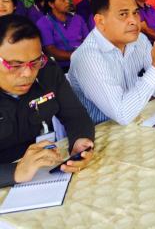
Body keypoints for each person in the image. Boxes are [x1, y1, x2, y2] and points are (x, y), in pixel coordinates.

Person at [0, 15, 94, 188]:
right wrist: (15, 171)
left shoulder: (47, 72)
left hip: (41, 175)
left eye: (35, 62)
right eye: (15, 65)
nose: (28, 73)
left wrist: (80, 142)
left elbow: (75, 115)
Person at [68, 0, 155, 125]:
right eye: (123, 14)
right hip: (102, 133)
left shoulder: (140, 40)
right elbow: (122, 114)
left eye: (135, 13)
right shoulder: (88, 57)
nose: (134, 21)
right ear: (100, 21)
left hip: (136, 123)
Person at [36, 0, 89, 72]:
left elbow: (88, 40)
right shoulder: (44, 23)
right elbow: (51, 50)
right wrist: (76, 55)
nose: (67, 1)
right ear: (51, 4)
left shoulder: (78, 19)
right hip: (61, 69)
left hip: (84, 64)